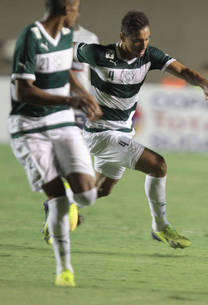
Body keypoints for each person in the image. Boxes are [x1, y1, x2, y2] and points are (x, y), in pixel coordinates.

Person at [73, 11, 208, 249]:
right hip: (100, 133)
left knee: (102, 189)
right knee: (158, 165)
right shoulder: (98, 53)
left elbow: (182, 71)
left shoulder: (149, 56)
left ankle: (62, 206)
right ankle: (160, 226)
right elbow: (62, 53)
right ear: (123, 36)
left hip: (123, 132)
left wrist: (203, 82)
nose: (143, 45)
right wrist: (77, 90)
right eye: (137, 40)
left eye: (147, 39)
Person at [8, 0, 102, 287]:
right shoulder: (30, 37)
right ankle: (65, 269)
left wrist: (82, 94)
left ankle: (69, 199)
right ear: (65, 8)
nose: (78, 11)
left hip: (61, 123)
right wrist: (69, 100)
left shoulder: (65, 36)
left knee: (87, 195)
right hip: (30, 127)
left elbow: (66, 73)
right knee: (58, 200)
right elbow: (23, 90)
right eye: (75, 6)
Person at [42, 23, 100, 245]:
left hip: (78, 108)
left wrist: (95, 101)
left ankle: (61, 208)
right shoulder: (43, 34)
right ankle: (61, 207)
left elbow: (96, 71)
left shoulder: (89, 36)